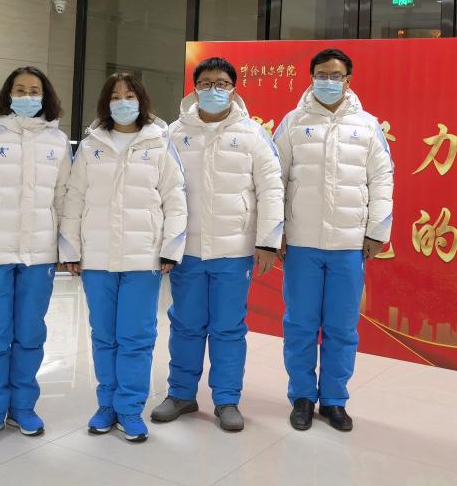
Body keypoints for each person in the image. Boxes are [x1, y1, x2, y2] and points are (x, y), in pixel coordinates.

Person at [151, 57, 284, 432]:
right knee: (186, 325)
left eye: (222, 83)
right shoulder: (173, 134)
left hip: (234, 251)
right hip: (187, 250)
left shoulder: (253, 134)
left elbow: (271, 189)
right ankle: (181, 394)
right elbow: (157, 190)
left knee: (228, 328)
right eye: (206, 83)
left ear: (233, 88)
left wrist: (268, 243)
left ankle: (227, 400)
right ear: (194, 89)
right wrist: (163, 244)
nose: (214, 90)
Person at [59, 72, 187, 443]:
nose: (123, 102)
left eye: (129, 95)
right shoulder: (91, 145)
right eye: (115, 96)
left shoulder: (159, 143)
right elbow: (74, 199)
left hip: (142, 259)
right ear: (106, 103)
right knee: (104, 336)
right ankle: (106, 406)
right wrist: (70, 249)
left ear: (141, 100)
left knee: (136, 337)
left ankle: (130, 409)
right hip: (97, 259)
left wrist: (170, 248)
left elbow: (175, 198)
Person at [273, 48, 393, 433]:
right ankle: (302, 397)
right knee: (300, 325)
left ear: (348, 80)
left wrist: (377, 231)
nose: (328, 81)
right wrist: (275, 231)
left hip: (348, 245)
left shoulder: (368, 126)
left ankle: (335, 400)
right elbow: (274, 179)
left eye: (335, 75)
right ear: (311, 78)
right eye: (321, 75)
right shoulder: (293, 123)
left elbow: (382, 180)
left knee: (342, 327)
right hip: (302, 243)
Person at [0, 67, 72, 445]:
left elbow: (64, 199)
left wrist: (64, 249)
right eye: (20, 90)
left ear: (45, 96)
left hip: (38, 255)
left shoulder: (58, 142)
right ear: (8, 95)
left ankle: (22, 408)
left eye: (34, 90)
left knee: (30, 334)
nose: (27, 96)